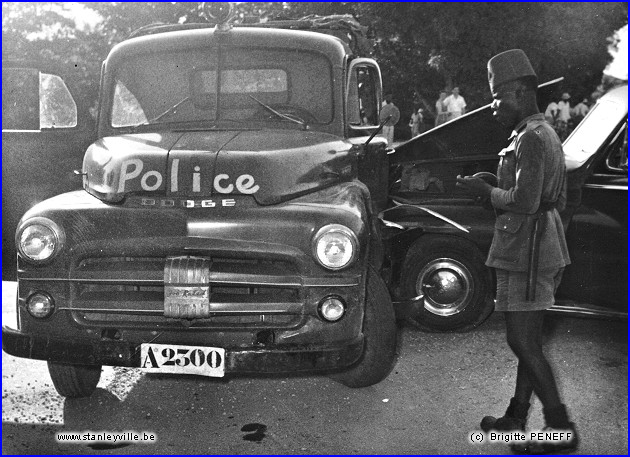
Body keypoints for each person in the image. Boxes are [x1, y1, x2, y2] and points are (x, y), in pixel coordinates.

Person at [456, 49, 577, 454]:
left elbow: (526, 202)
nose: (492, 108)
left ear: (523, 93)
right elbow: (540, 195)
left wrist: (485, 191)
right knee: (529, 340)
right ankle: (516, 417)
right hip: (533, 245)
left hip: (529, 250)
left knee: (521, 341)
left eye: (497, 98)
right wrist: (494, 183)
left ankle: (559, 430)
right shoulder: (535, 132)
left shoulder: (530, 137)